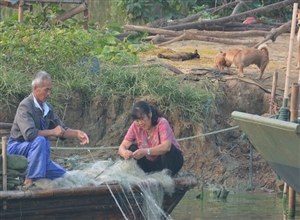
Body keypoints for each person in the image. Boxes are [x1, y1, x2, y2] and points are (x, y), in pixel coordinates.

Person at [7, 71, 89, 189]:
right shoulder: (25, 106)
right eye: (46, 90)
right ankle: (30, 180)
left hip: (38, 154)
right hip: (17, 148)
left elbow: (61, 129)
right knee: (40, 140)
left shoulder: (48, 108)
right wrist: (52, 132)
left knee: (63, 175)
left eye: (50, 90)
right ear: (36, 88)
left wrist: (76, 133)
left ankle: (39, 174)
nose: (49, 93)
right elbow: (30, 134)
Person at [118, 101, 184, 176]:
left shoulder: (162, 123)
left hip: (169, 162)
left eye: (142, 118)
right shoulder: (135, 126)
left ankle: (167, 175)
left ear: (150, 114)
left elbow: (167, 147)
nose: (140, 123)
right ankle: (141, 175)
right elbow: (122, 146)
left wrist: (146, 151)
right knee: (131, 148)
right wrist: (125, 153)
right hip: (150, 163)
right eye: (137, 120)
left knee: (169, 150)